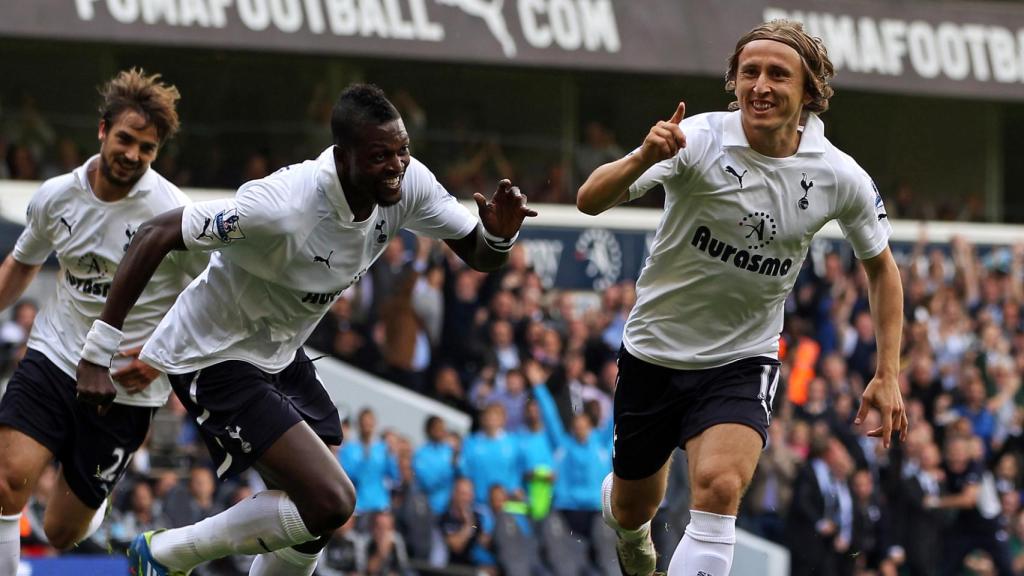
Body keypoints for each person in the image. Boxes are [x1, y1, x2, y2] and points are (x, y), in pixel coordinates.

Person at [76, 83, 535, 576]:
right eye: (380, 155)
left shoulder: (406, 184)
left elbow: (477, 253)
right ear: (343, 156)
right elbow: (156, 233)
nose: (397, 165)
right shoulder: (282, 205)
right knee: (332, 501)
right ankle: (166, 552)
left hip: (279, 350)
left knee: (313, 513)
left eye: (402, 150)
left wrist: (500, 236)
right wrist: (96, 352)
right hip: (213, 354)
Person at [576, 19, 907, 576]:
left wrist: (888, 372)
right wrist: (641, 156)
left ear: (809, 93)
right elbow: (589, 200)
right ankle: (631, 532)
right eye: (749, 72)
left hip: (742, 357)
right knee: (634, 509)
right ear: (733, 83)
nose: (761, 85)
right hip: (655, 352)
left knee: (720, 488)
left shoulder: (838, 175)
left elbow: (882, 270)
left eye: (778, 74)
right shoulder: (698, 139)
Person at [0, 69, 197, 575]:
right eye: (126, 139)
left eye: (147, 148)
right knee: (6, 481)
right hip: (56, 351)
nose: (133, 154)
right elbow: (23, 262)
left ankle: (96, 501)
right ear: (102, 130)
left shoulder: (173, 211)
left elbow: (207, 295)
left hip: (125, 384)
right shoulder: (55, 196)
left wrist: (158, 361)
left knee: (61, 531)